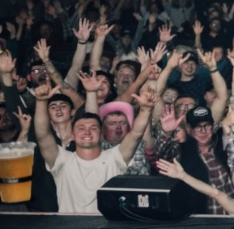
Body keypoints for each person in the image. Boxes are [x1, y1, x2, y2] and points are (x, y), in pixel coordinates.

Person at [32, 82, 154, 213]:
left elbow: (136, 133)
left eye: (93, 128)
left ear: (101, 134)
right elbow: (43, 135)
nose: (87, 132)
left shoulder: (114, 157)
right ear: (72, 135)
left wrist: (146, 109)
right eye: (81, 128)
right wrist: (41, 102)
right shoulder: (62, 160)